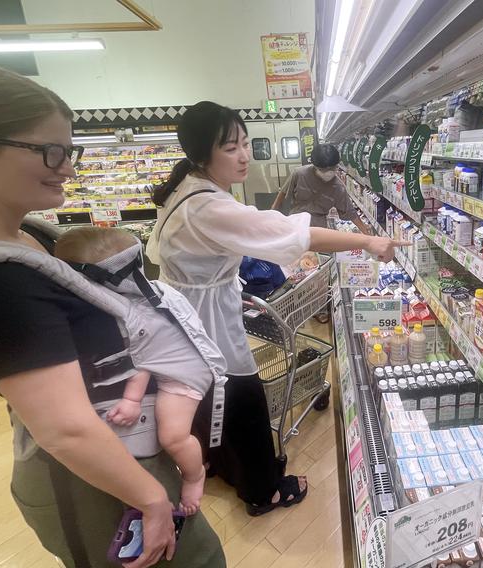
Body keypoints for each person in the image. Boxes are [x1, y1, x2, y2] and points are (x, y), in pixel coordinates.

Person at [0, 56, 225, 567]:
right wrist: (152, 498)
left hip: (116, 461)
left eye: (68, 151)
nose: (68, 168)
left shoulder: (25, 240)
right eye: (50, 152)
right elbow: (65, 428)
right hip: (94, 485)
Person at [146, 101, 408, 516]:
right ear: (201, 154)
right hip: (205, 317)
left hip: (188, 311)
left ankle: (218, 464)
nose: (244, 155)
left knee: (212, 397)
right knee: (244, 401)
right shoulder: (209, 206)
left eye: (245, 144)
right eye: (230, 147)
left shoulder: (188, 188)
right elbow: (294, 234)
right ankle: (261, 490)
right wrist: (370, 243)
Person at [55, 226, 229, 516]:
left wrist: (132, 400)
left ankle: (195, 474)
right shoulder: (158, 289)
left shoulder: (129, 316)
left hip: (183, 377)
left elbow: (142, 360)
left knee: (173, 437)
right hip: (187, 358)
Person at [270, 143, 371, 234]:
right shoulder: (299, 174)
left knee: (316, 254)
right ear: (314, 165)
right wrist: (271, 215)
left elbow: (350, 213)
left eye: (332, 168)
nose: (328, 172)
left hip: (318, 229)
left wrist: (366, 235)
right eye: (323, 169)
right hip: (295, 223)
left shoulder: (338, 188)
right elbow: (282, 193)